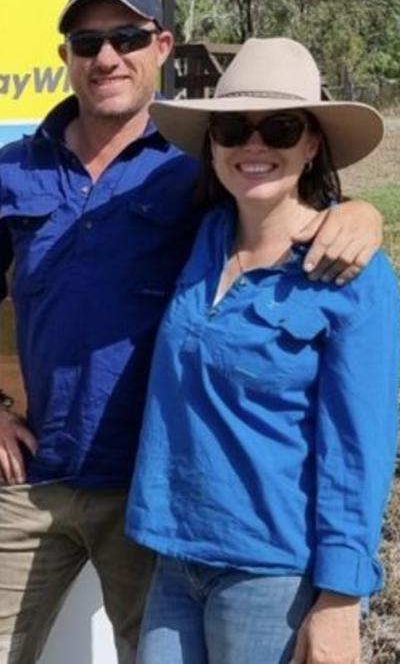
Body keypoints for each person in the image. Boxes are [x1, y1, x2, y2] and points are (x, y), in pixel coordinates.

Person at [0, 0, 385, 664]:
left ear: (161, 45)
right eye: (87, 41)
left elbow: (284, 206)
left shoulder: (191, 174)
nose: (106, 56)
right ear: (67, 58)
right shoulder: (8, 172)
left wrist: (361, 215)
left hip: (150, 499)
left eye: (126, 36)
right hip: (36, 477)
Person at [127, 37, 399, 664]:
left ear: (311, 144)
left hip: (272, 573)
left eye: (279, 128)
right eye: (232, 128)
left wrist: (339, 601)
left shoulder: (355, 278)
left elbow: (359, 449)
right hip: (175, 556)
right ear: (213, 145)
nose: (253, 146)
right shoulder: (203, 236)